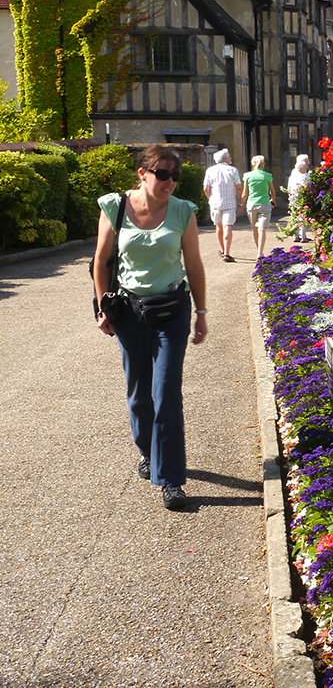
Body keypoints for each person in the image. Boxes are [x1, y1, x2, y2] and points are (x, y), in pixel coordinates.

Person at [94, 145, 207, 511]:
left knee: (167, 393)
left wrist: (201, 312)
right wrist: (103, 307)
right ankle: (148, 451)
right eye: (163, 174)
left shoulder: (182, 212)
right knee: (140, 394)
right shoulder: (114, 206)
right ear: (142, 174)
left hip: (172, 311)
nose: (170, 182)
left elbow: (194, 265)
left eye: (175, 175)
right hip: (128, 312)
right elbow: (101, 260)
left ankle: (171, 479)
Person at [202, 149, 242, 262]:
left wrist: (210, 198)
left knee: (218, 226)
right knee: (228, 226)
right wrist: (242, 200)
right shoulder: (233, 170)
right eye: (229, 156)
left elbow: (205, 188)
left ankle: (222, 249)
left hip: (215, 203)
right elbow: (238, 187)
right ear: (225, 158)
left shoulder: (210, 170)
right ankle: (227, 253)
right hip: (229, 202)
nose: (231, 158)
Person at [240, 155, 277, 260]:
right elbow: (272, 192)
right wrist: (273, 201)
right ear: (262, 164)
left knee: (255, 229)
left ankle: (259, 250)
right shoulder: (267, 176)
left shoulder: (247, 175)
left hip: (251, 204)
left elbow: (244, 193)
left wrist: (241, 203)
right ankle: (260, 252)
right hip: (264, 203)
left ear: (253, 164)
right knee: (262, 229)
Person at [287, 154, 311, 243]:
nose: (308, 163)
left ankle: (297, 235)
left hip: (293, 198)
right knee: (302, 216)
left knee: (295, 216)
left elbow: (289, 186)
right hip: (300, 198)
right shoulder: (303, 175)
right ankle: (302, 236)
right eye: (307, 161)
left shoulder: (294, 173)